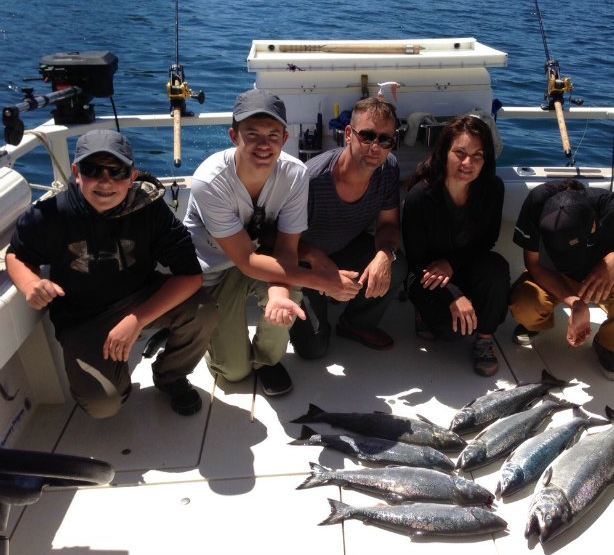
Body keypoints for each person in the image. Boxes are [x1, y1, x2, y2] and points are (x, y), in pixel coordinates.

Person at [6, 130, 218, 418]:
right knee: (103, 406)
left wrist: (136, 320)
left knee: (203, 308)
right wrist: (30, 283)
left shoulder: (150, 209)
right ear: (76, 172)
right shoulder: (50, 215)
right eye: (93, 170)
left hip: (141, 296)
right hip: (83, 317)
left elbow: (190, 276)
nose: (105, 181)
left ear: (131, 177)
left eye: (117, 171)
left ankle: (170, 376)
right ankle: (113, 373)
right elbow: (18, 253)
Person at [184, 89, 360, 396]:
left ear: (285, 136)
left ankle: (268, 360)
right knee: (233, 373)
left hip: (263, 257)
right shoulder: (209, 181)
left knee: (286, 299)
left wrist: (279, 294)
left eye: (272, 134)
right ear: (233, 135)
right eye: (252, 134)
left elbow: (285, 251)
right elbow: (244, 261)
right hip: (217, 271)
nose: (264, 144)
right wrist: (323, 280)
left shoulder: (295, 174)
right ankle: (216, 347)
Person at [289, 97, 408, 359]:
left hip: (345, 249)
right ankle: (319, 311)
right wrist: (319, 263)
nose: (375, 147)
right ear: (348, 135)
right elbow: (279, 243)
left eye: (384, 140)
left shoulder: (388, 169)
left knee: (397, 264)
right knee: (312, 350)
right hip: (305, 260)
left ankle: (355, 323)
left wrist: (384, 255)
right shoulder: (311, 180)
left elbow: (388, 225)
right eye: (366, 136)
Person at [509, 179, 614, 380]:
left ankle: (609, 345)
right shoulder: (537, 201)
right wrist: (575, 303)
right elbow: (534, 264)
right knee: (524, 302)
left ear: (594, 226)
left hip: (602, 279)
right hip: (553, 276)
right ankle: (537, 325)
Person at [402, 114, 510, 377]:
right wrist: (453, 294)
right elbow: (415, 259)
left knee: (496, 267)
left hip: (463, 264)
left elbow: (487, 241)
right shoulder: (420, 196)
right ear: (444, 152)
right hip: (425, 274)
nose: (467, 162)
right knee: (452, 332)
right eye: (460, 152)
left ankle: (485, 340)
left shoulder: (492, 188)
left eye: (477, 155)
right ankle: (424, 314)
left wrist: (452, 264)